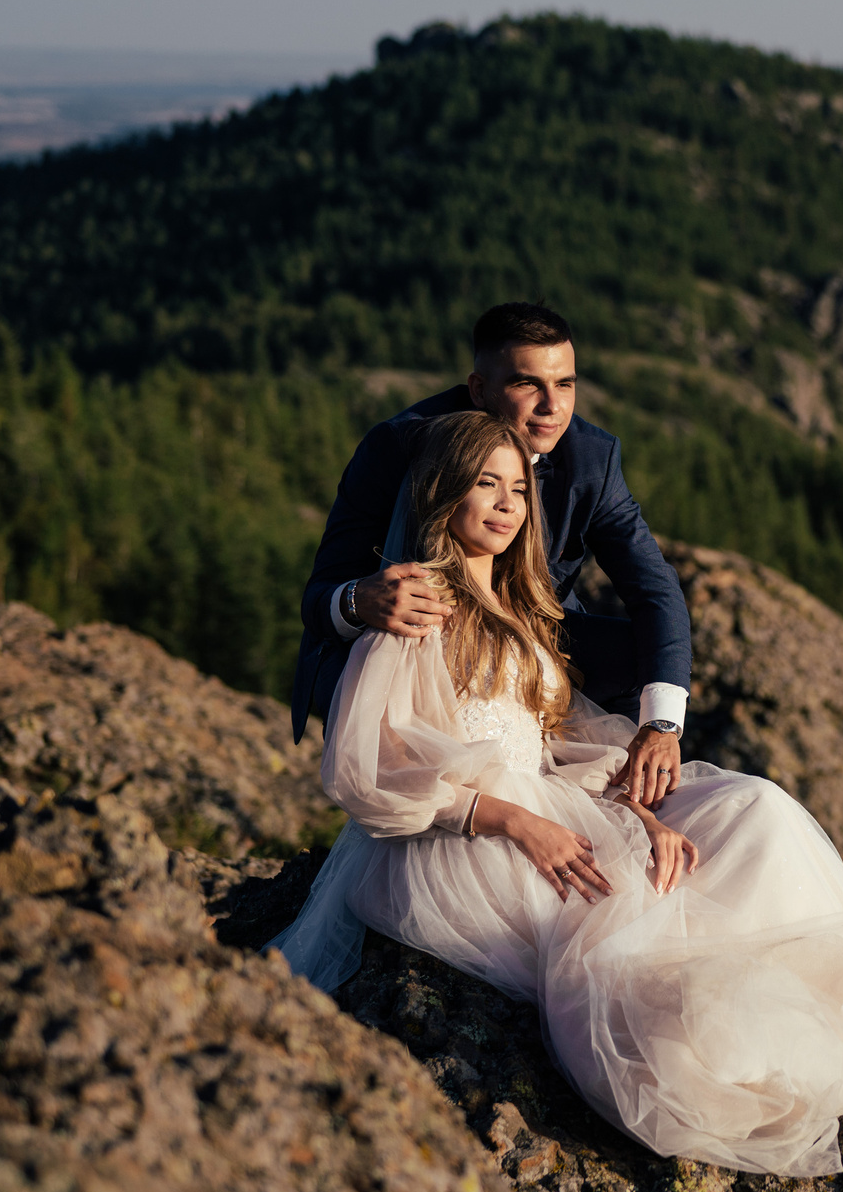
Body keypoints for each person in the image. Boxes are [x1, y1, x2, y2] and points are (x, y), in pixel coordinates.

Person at [269, 410, 843, 1176]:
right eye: (485, 485)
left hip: (549, 798)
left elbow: (550, 749)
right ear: (442, 495)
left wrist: (638, 816)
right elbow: (366, 773)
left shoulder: (521, 604)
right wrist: (518, 824)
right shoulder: (416, 606)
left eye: (517, 489)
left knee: (755, 811)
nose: (506, 505)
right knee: (651, 922)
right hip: (462, 838)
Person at [292, 302, 692, 817]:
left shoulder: (592, 457)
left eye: (566, 384)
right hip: (418, 644)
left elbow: (654, 588)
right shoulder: (399, 445)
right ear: (479, 389)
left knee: (652, 652)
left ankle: (619, 794)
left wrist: (661, 726)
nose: (553, 407)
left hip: (531, 633)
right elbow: (321, 591)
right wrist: (358, 600)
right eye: (529, 384)